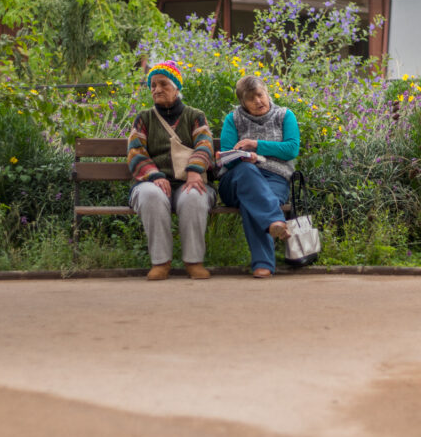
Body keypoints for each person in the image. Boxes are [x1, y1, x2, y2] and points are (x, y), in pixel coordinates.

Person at [127, 60, 215, 280]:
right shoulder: (143, 118)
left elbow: (205, 144)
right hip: (152, 182)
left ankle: (194, 262)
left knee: (194, 195)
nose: (157, 89)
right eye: (153, 85)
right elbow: (135, 151)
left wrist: (194, 171)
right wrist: (154, 175)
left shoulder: (195, 116)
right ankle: (161, 263)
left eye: (163, 84)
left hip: (188, 180)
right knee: (151, 195)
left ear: (176, 88)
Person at [218, 75, 300, 278]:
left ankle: (262, 264)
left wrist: (256, 145)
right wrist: (245, 158)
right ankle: (274, 220)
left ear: (267, 93)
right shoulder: (233, 119)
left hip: (275, 178)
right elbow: (227, 156)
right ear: (242, 102)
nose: (258, 101)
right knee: (249, 176)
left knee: (253, 200)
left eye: (260, 95)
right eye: (250, 98)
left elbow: (291, 149)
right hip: (237, 179)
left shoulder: (284, 115)